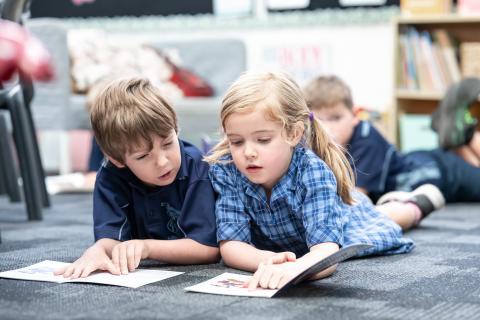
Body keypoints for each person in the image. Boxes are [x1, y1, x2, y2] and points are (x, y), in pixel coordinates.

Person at [204, 71, 440, 291]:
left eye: (263, 140)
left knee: (383, 220)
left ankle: (415, 204)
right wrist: (268, 261)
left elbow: (326, 253)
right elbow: (231, 246)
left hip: (344, 218)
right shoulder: (227, 170)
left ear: (293, 134)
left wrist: (297, 269)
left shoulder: (313, 172)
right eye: (236, 141)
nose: (248, 153)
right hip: (283, 243)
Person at [55, 77, 219, 279]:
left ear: (176, 128)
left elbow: (208, 248)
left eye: (168, 143)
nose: (162, 162)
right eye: (143, 156)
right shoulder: (109, 176)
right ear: (117, 160)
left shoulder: (198, 169)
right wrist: (97, 250)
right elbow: (111, 238)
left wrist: (147, 248)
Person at [303, 75, 480, 204]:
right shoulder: (310, 141)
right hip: (419, 160)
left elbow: (355, 199)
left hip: (440, 171)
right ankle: (463, 134)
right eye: (319, 120)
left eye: (336, 118)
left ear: (355, 115)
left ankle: (467, 132)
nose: (327, 127)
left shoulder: (366, 139)